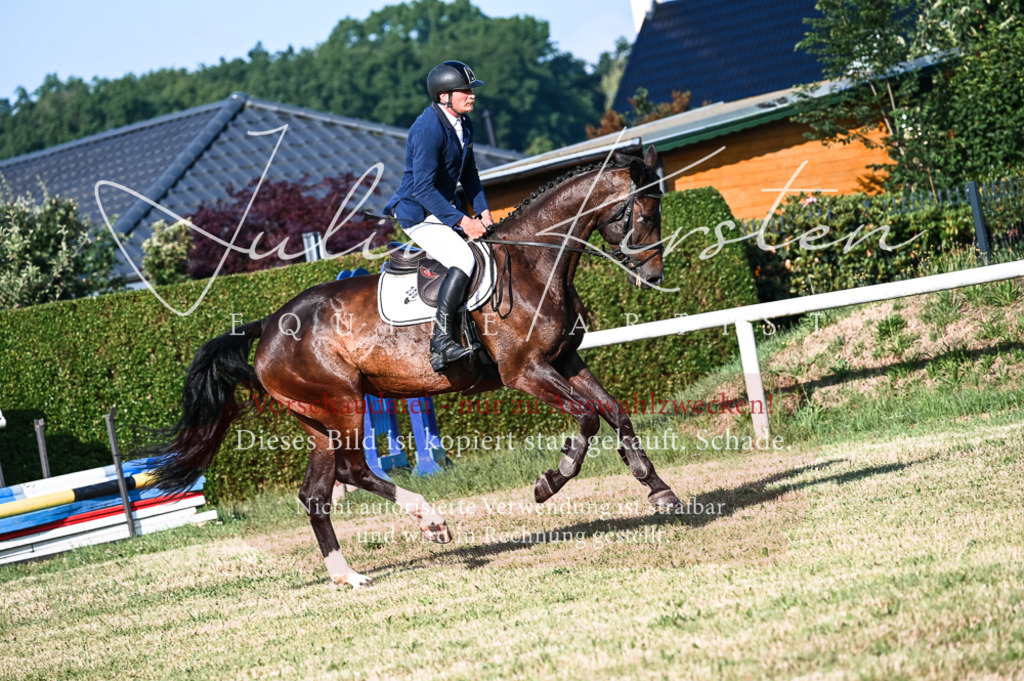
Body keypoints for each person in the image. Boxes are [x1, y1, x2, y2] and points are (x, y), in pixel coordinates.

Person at [384, 60, 494, 372]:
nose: (472, 95)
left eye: (472, 90)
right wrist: (464, 221)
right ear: (444, 96)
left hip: (441, 207)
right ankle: (442, 342)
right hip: (418, 213)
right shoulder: (427, 130)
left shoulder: (464, 123)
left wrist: (482, 210)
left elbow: (470, 174)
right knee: (465, 260)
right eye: (465, 91)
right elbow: (423, 190)